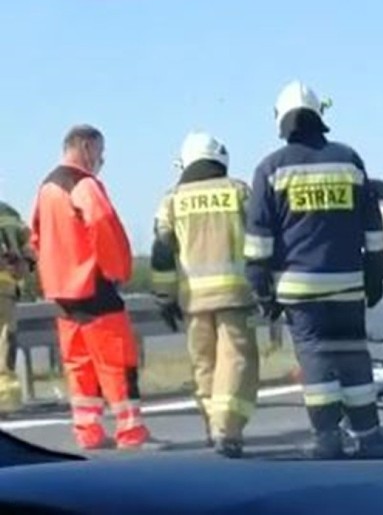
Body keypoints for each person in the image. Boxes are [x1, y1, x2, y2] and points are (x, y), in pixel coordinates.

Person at [244, 81, 383, 459]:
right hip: (348, 283)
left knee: (316, 360)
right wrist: (376, 275)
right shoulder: (349, 159)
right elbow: (373, 227)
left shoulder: (270, 168)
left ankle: (328, 439)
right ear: (318, 116)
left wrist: (263, 292)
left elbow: (258, 241)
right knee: (354, 356)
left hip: (299, 288)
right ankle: (369, 435)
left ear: (282, 120)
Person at [30, 124, 161, 451]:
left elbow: (35, 236)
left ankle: (87, 431)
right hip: (93, 286)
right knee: (117, 361)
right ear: (86, 147)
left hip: (61, 292)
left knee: (79, 365)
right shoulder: (84, 185)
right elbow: (103, 225)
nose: (101, 160)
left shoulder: (46, 188)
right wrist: (117, 269)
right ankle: (130, 432)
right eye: (100, 152)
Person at [150, 131, 260, 458]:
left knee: (204, 365)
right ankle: (226, 430)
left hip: (194, 301)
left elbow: (161, 253)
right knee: (236, 361)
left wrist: (163, 297)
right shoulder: (239, 192)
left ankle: (211, 425)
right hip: (235, 297)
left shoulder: (171, 199)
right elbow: (261, 237)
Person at [0, 200, 35, 414]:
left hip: (6, 289)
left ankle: (5, 398)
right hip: (6, 289)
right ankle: (5, 398)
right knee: (4, 342)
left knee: (5, 342)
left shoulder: (9, 212)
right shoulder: (8, 212)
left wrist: (26, 263)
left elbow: (30, 246)